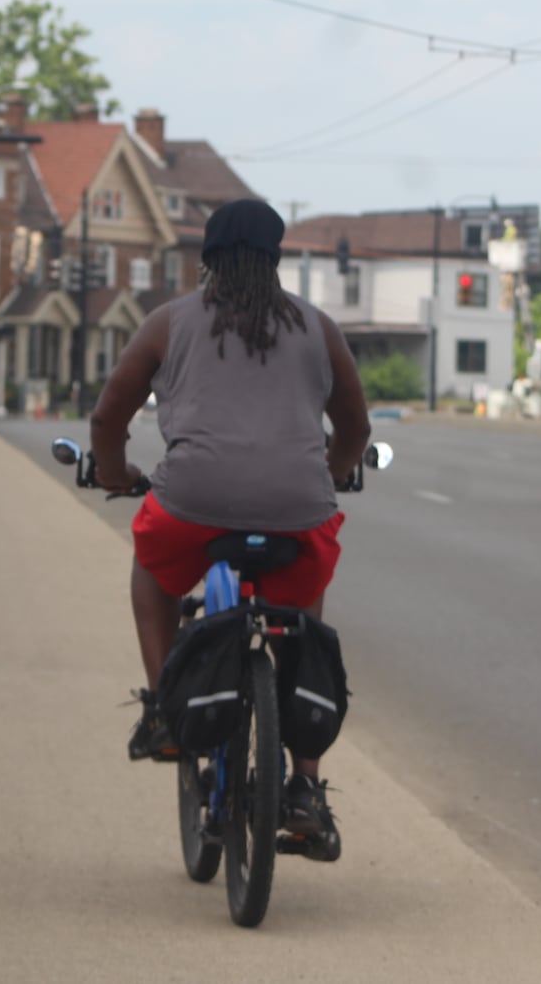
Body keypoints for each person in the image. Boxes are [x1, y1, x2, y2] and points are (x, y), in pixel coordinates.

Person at [88, 198, 371, 859]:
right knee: (304, 603)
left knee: (154, 575)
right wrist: (326, 473)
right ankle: (305, 786)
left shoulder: (169, 322)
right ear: (275, 259)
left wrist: (112, 472)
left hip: (192, 502)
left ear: (206, 260)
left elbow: (109, 416)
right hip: (298, 506)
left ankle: (163, 707)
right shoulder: (318, 326)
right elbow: (354, 428)